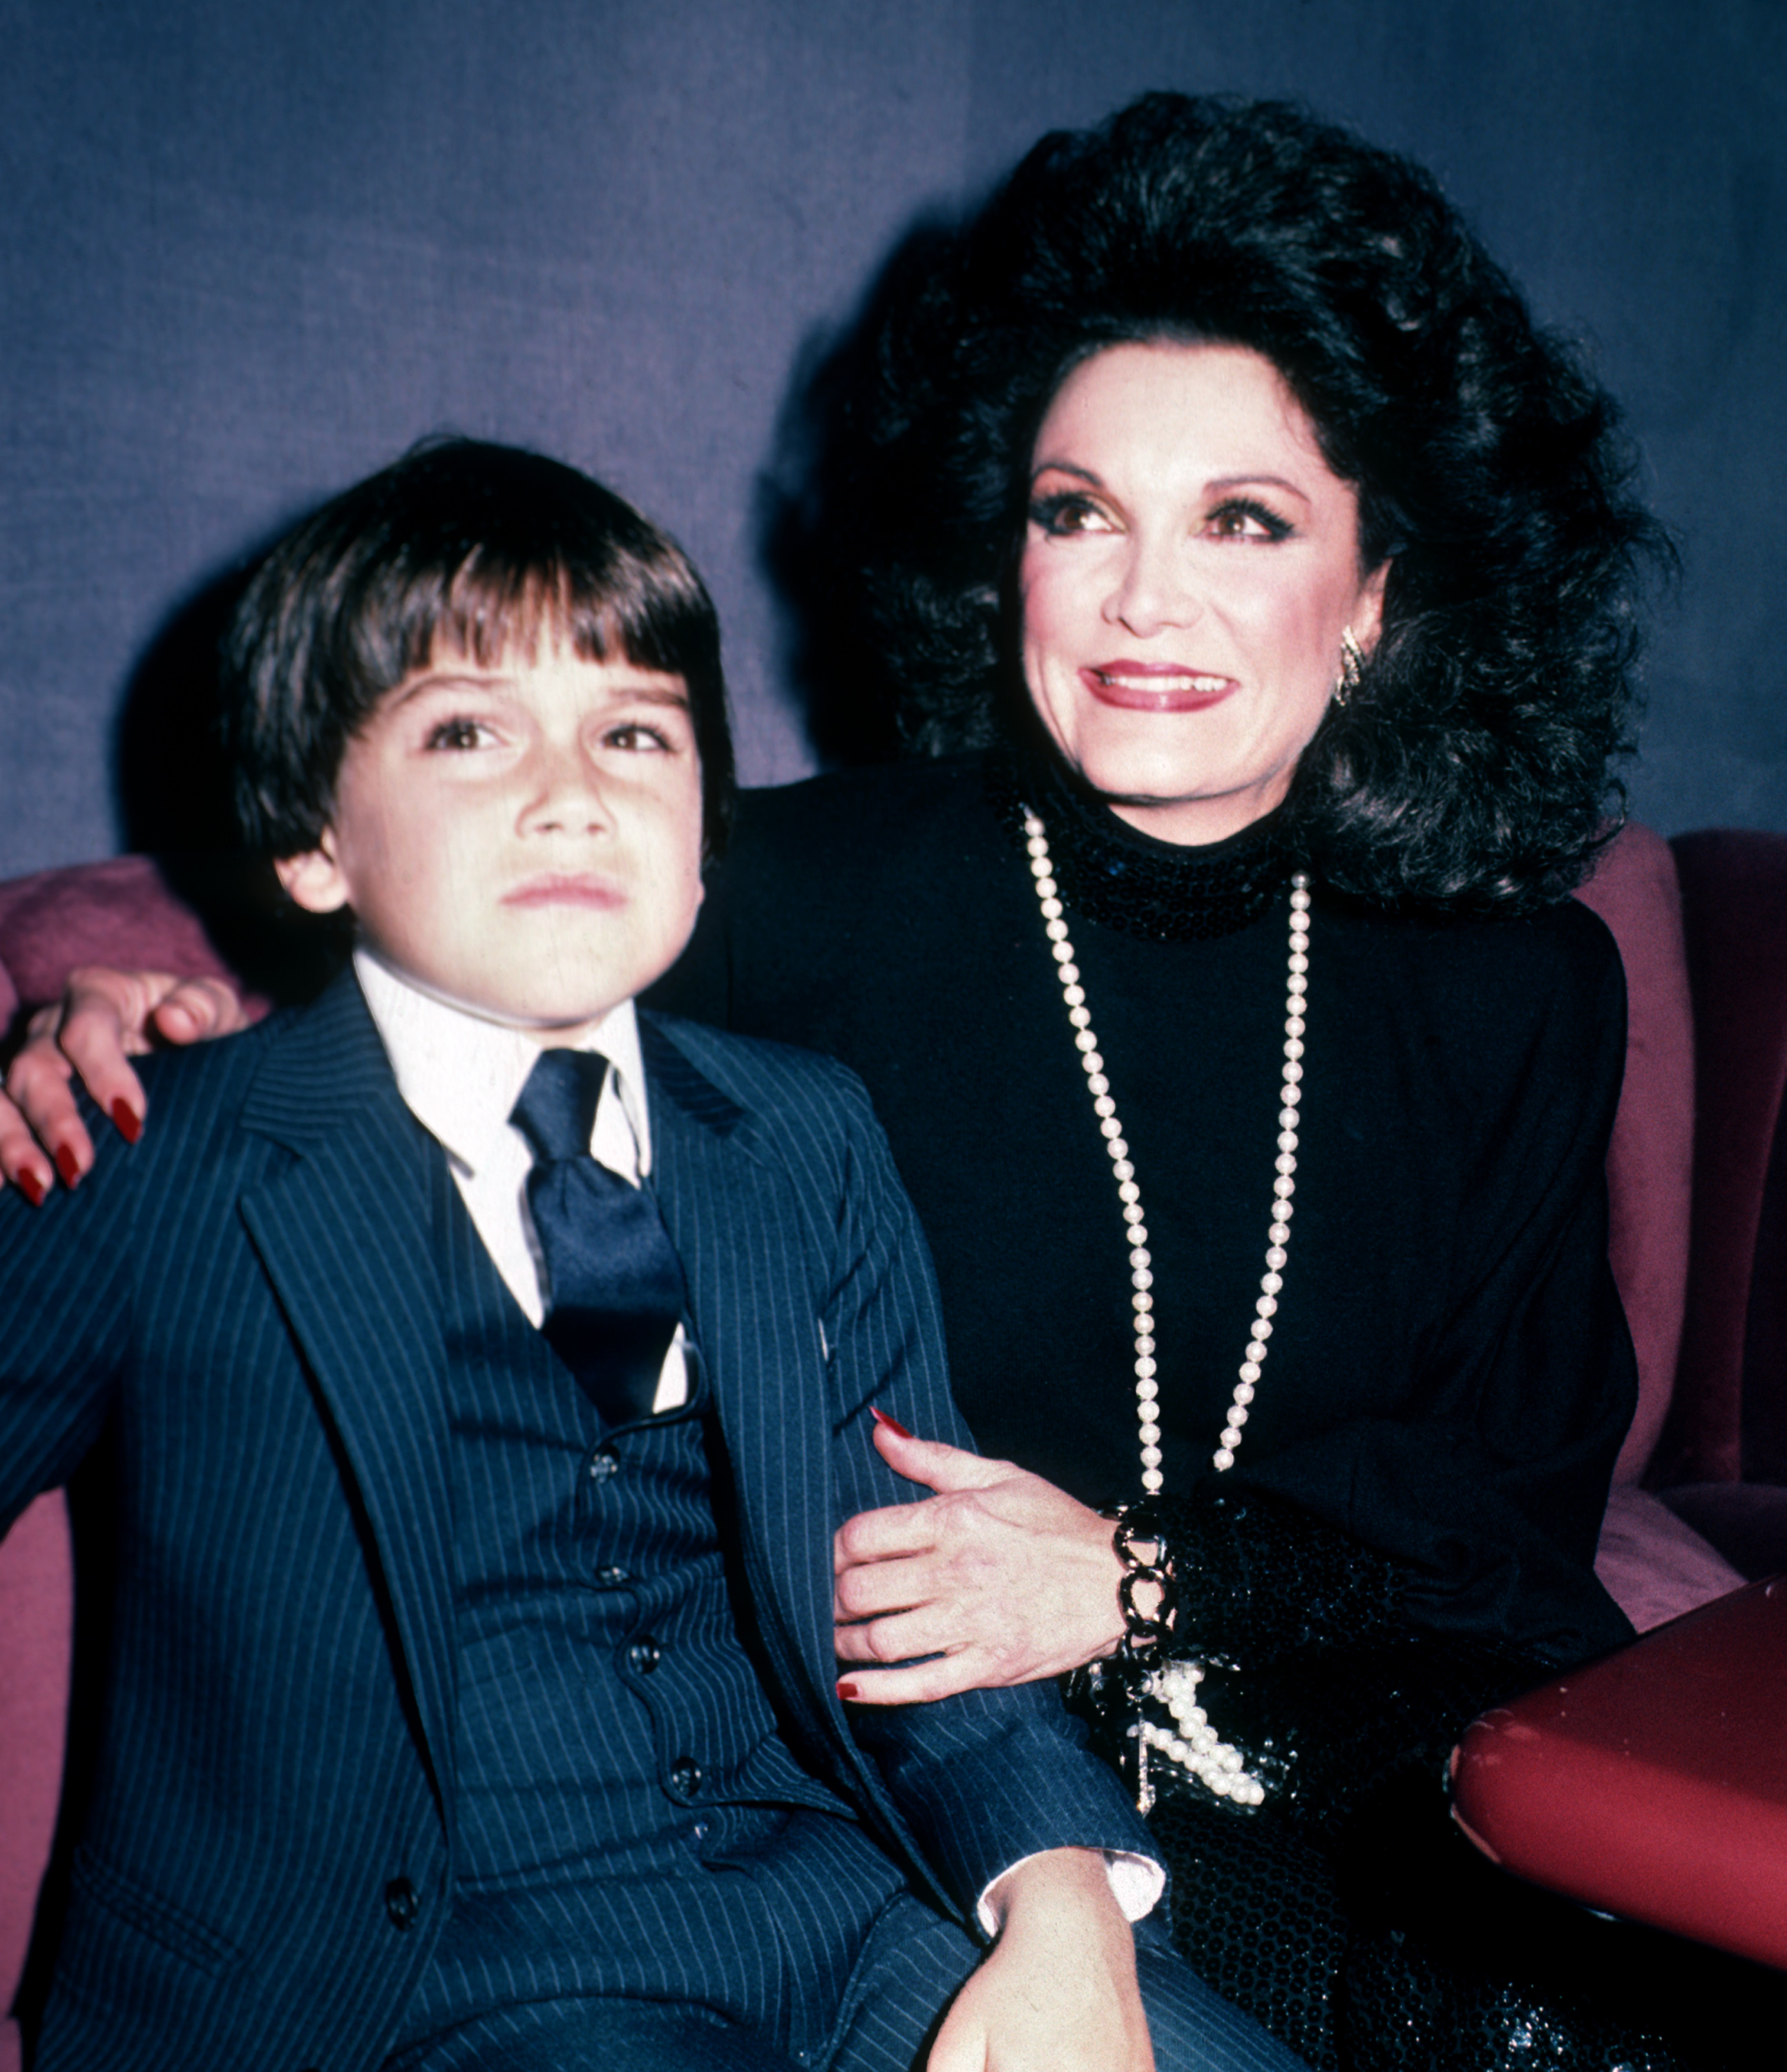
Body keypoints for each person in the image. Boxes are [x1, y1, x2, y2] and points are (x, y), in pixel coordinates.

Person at [0, 97, 1686, 2067]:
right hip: (930, 1796)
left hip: (1336, 1745)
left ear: (1378, 589)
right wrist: (96, 1027)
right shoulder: (778, 892)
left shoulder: (1513, 989)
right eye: (1077, 513)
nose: (1145, 597)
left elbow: (1512, 1513)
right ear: (1008, 557)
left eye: (1243, 519)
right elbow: (441, 971)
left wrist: (1139, 1574)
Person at [0, 439, 1307, 2072]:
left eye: (635, 732)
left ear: (701, 832)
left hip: (841, 1904)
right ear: (312, 838)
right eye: (468, 731)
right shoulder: (160, 1153)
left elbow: (917, 1596)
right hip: (430, 1972)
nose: (572, 791)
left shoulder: (805, 1133)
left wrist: (1063, 1907)